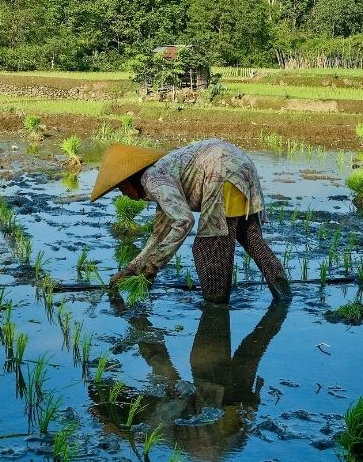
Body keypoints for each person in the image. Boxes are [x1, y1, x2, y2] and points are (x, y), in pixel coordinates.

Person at [90, 140, 292, 304]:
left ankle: (215, 310)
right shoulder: (161, 176)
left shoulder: (152, 180)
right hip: (238, 165)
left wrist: (155, 264)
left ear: (131, 179)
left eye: (123, 189)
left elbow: (184, 221)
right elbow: (159, 234)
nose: (125, 194)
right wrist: (131, 268)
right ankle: (283, 295)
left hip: (220, 172)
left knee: (209, 247)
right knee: (251, 239)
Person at [89, 300, 288, 459]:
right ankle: (276, 306)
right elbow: (160, 364)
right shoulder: (151, 425)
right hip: (225, 421)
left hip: (227, 422)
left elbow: (160, 362)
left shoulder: (151, 426)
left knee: (245, 353)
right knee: (229, 354)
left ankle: (273, 311)